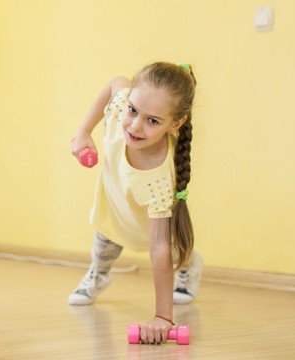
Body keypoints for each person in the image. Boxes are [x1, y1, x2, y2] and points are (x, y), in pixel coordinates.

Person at [68, 62, 203, 344]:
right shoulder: (120, 110)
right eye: (133, 110)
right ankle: (99, 275)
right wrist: (83, 132)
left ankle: (190, 263)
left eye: (153, 121)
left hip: (152, 227)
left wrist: (163, 317)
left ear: (176, 124)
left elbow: (158, 247)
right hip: (116, 202)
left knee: (175, 254)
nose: (135, 126)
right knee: (102, 246)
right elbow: (115, 82)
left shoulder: (159, 180)